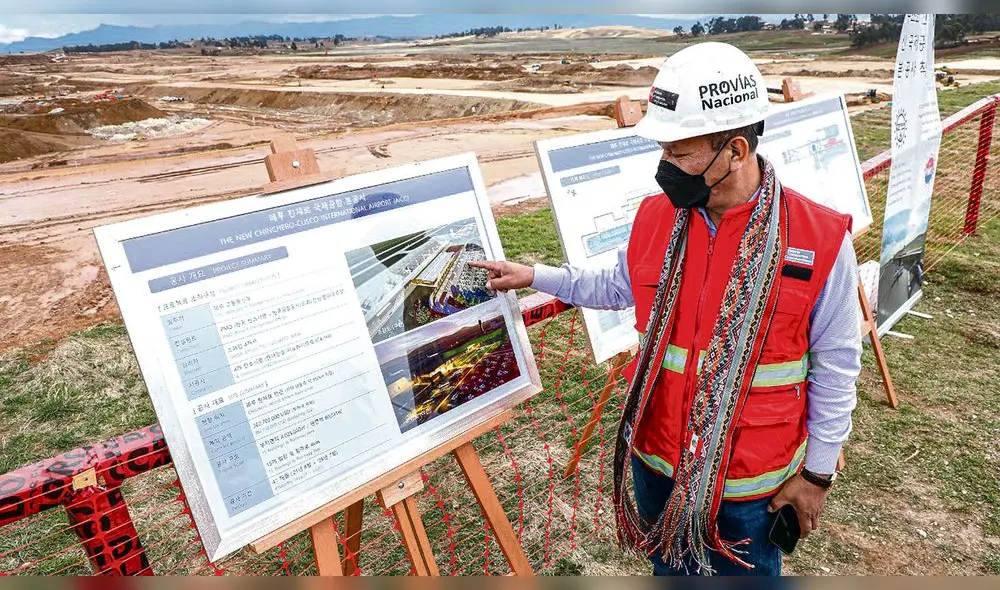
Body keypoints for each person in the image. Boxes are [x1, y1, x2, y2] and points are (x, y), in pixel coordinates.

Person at [470, 41, 861, 576]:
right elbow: (616, 284)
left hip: (749, 487)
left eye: (679, 153)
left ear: (737, 151)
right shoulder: (659, 216)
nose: (664, 166)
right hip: (655, 465)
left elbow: (838, 367)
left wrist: (816, 476)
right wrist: (535, 276)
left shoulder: (820, 240)